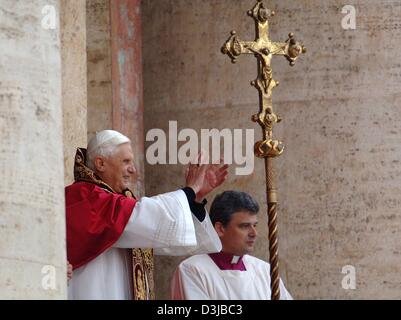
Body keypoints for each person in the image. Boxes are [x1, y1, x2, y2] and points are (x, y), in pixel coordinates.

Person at [66, 130, 228, 300]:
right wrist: (189, 191)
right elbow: (144, 216)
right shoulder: (86, 197)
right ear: (100, 163)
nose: (133, 169)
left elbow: (161, 236)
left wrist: (194, 199)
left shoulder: (115, 200)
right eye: (126, 161)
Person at [171, 190, 292, 300]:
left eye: (254, 225)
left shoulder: (265, 271)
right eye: (244, 226)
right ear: (220, 229)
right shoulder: (193, 271)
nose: (254, 233)